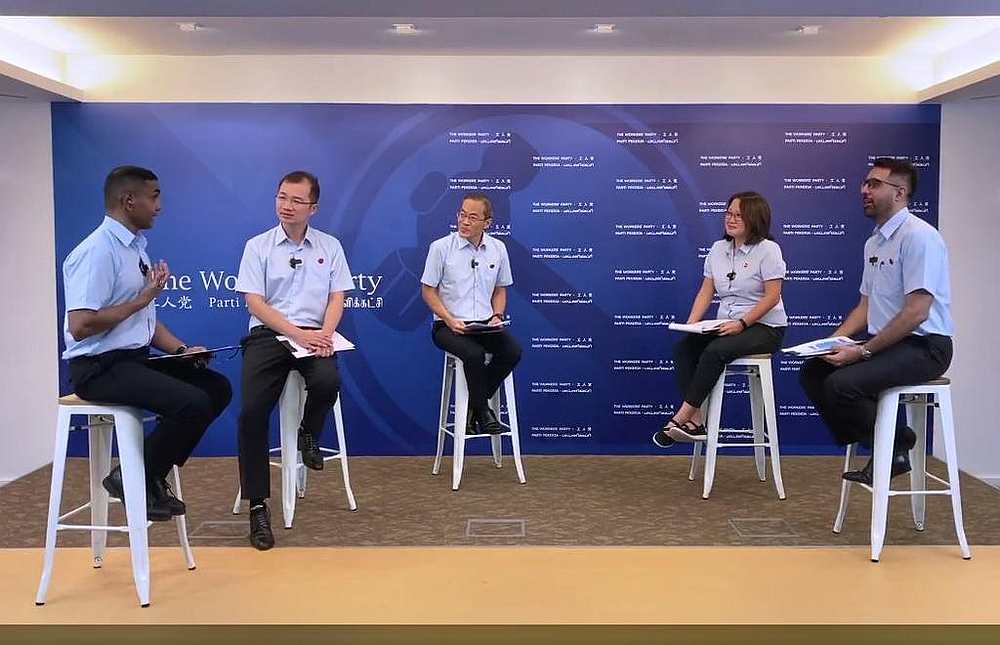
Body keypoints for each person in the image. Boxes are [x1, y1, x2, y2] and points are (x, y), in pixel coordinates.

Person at [62, 166, 232, 521]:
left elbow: (145, 323)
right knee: (192, 403)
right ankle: (135, 477)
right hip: (98, 368)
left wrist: (183, 352)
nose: (160, 206)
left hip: (133, 360)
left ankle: (145, 475)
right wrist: (141, 299)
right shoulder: (96, 252)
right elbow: (80, 326)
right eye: (154, 196)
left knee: (216, 387)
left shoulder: (135, 248)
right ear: (129, 201)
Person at [799, 158, 952, 485]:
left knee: (842, 385)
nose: (864, 190)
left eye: (874, 184)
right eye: (865, 183)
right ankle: (895, 442)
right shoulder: (874, 242)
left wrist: (863, 352)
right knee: (815, 372)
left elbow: (916, 312)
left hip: (926, 346)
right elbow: (864, 307)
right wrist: (832, 342)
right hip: (889, 343)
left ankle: (893, 446)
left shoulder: (919, 237)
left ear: (900, 192)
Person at [235, 170, 354, 550]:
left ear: (313, 208)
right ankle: (257, 506)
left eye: (296, 200)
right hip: (269, 334)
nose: (286, 206)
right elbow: (255, 301)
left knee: (327, 382)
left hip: (314, 334)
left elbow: (338, 296)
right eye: (282, 197)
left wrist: (324, 334)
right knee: (252, 412)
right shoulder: (258, 246)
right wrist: (295, 332)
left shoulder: (330, 246)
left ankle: (308, 433)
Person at [653, 191, 788, 448]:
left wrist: (742, 323)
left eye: (738, 215)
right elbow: (706, 290)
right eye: (728, 213)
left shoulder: (768, 250)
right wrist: (692, 325)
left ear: (754, 218)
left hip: (764, 327)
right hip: (726, 325)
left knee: (715, 351)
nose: (731, 219)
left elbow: (772, 296)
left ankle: (680, 418)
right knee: (685, 348)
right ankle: (697, 422)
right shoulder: (718, 249)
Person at [420, 191, 521, 436]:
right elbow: (428, 291)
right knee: (473, 355)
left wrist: (497, 315)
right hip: (447, 327)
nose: (464, 222)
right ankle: (483, 412)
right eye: (462, 215)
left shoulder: (498, 249)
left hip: (485, 325)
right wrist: (448, 319)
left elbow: (500, 290)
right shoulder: (441, 248)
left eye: (472, 217)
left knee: (512, 351)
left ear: (487, 223)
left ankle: (475, 408)